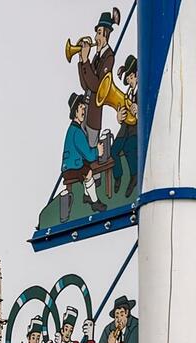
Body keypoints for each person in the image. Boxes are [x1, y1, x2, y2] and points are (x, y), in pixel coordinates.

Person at [59, 93, 107, 223]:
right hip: (71, 167)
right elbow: (90, 155)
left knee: (88, 169)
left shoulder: (73, 129)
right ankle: (95, 201)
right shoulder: (77, 132)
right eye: (81, 108)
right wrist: (98, 151)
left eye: (84, 109)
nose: (83, 111)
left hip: (71, 164)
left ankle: (87, 195)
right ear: (75, 112)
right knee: (88, 172)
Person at [77, 9, 119, 153]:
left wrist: (86, 61)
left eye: (99, 33)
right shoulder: (97, 56)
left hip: (94, 115)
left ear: (106, 34)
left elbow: (96, 86)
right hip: (85, 109)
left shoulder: (108, 57)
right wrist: (82, 62)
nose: (96, 37)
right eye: (97, 33)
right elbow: (85, 85)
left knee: (92, 150)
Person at [109, 55, 139, 198]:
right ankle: (118, 176)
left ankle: (134, 176)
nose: (129, 80)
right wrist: (119, 118)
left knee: (129, 148)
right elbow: (124, 113)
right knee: (113, 150)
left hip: (135, 130)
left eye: (131, 77)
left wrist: (137, 113)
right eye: (128, 78)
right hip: (125, 129)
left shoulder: (142, 92)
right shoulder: (129, 93)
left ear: (137, 75)